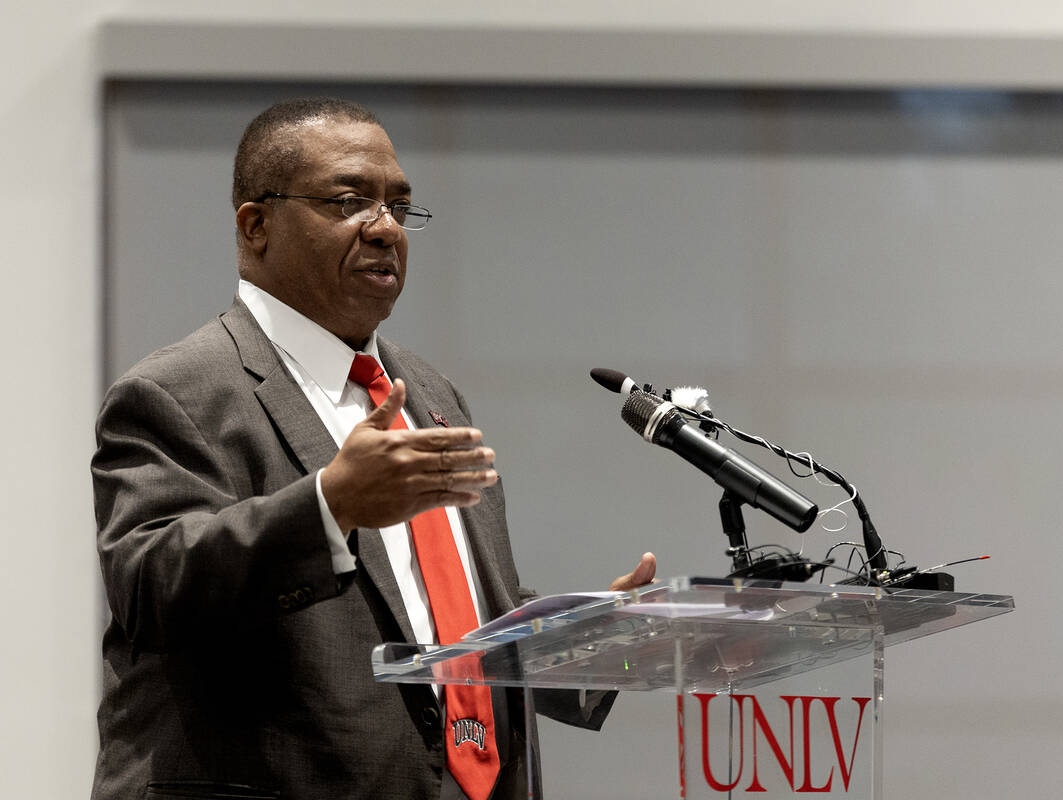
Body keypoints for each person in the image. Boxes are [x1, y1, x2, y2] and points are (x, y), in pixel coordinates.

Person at [91, 97, 656, 800]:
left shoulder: (428, 391)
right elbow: (152, 587)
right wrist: (328, 506)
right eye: (350, 201)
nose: (385, 228)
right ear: (256, 225)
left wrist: (580, 635)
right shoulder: (179, 390)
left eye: (399, 204)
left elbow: (439, 611)